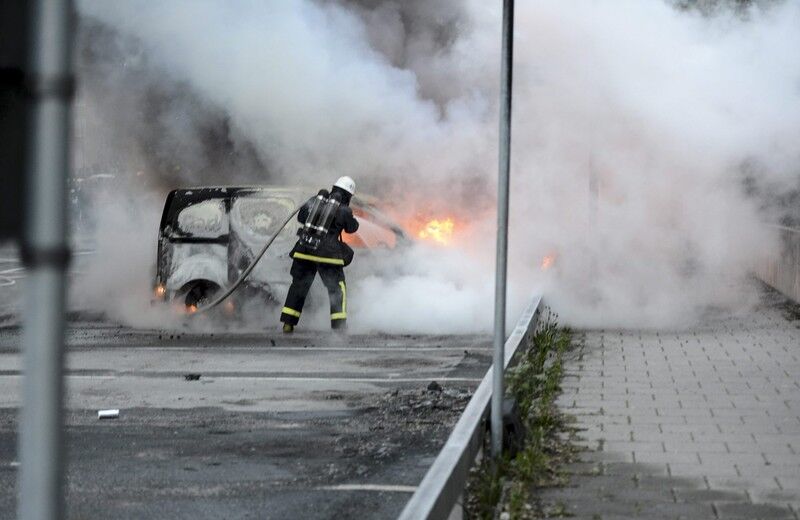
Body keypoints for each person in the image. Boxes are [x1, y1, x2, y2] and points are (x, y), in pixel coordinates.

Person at [280, 176, 359, 333]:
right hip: (327, 255)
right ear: (348, 195)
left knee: (298, 287)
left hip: (304, 250)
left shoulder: (314, 201)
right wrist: (351, 218)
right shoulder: (344, 210)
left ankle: (288, 324)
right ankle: (339, 327)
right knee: (337, 289)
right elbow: (352, 228)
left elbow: (301, 217)